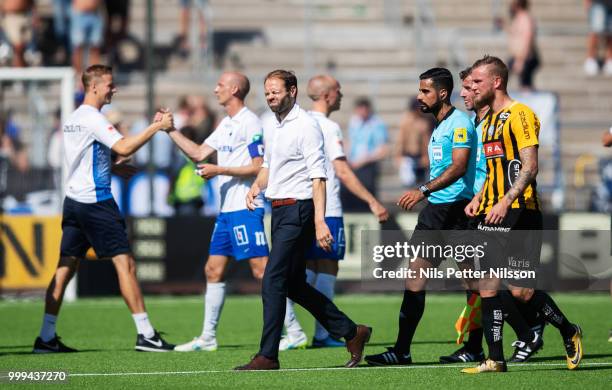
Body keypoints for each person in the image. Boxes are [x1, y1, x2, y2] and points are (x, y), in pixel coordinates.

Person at [32, 65, 175, 353]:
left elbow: (82, 158)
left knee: (65, 267)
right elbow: (124, 147)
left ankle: (46, 337)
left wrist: (109, 168)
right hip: (96, 203)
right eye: (110, 84)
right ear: (94, 86)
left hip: (73, 202)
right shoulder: (93, 118)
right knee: (126, 265)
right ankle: (146, 334)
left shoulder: (74, 118)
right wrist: (156, 127)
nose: (114, 89)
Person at [237, 70, 371, 370]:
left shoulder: (307, 126)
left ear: (293, 91)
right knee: (294, 284)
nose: (271, 96)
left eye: (276, 91)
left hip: (299, 210)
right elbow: (270, 164)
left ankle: (267, 356)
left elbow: (319, 176)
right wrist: (257, 185)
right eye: (267, 91)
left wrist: (320, 222)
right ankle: (352, 332)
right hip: (280, 210)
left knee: (272, 278)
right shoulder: (273, 125)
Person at [461, 55, 582, 373]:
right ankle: (495, 358)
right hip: (491, 212)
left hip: (520, 210)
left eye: (477, 82)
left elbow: (530, 166)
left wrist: (505, 200)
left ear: (496, 82)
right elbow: (493, 171)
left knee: (522, 291)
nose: (471, 88)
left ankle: (568, 330)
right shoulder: (486, 122)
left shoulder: (521, 114)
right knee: (488, 286)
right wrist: (480, 198)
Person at [364, 68, 480, 367]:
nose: (419, 96)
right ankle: (401, 350)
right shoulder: (438, 125)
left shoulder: (459, 123)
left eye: (425, 91)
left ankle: (478, 346)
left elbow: (458, 167)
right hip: (435, 214)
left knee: (473, 282)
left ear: (442, 93)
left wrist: (422, 190)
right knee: (414, 277)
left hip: (457, 211)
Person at [439, 67, 546, 365]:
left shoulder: (505, 119)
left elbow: (514, 167)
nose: (466, 92)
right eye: (465, 86)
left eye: (472, 85)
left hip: (501, 209)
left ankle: (530, 329)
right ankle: (484, 346)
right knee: (476, 282)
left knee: (495, 283)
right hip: (477, 207)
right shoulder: (477, 123)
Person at [280, 75, 389, 351]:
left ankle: (296, 330)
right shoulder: (328, 126)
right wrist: (372, 201)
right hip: (326, 208)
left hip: (301, 205)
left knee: (303, 271)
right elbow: (341, 170)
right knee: (326, 268)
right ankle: (320, 333)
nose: (341, 95)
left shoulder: (297, 121)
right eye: (338, 90)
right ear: (328, 95)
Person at [165, 72, 270, 352]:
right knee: (213, 270)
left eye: (220, 85)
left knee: (262, 271)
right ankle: (208, 337)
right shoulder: (226, 123)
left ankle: (294, 331)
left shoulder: (250, 122)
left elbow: (259, 166)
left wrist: (219, 169)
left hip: (246, 208)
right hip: (226, 211)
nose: (215, 90)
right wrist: (170, 130)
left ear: (234, 89)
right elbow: (199, 153)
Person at [342, 97, 388, 211]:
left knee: (366, 196)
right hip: (353, 165)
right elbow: (350, 141)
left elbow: (382, 150)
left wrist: (363, 161)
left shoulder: (377, 124)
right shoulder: (354, 121)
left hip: (367, 166)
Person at [395, 97, 433, 188]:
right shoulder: (406, 122)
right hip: (408, 157)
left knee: (422, 184)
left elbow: (426, 142)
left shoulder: (424, 122)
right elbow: (400, 141)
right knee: (409, 185)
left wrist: (427, 157)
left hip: (421, 157)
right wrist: (398, 156)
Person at [507, 0, 539, 90]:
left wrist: (521, 60)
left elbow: (527, 39)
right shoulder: (518, 18)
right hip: (518, 57)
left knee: (526, 86)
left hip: (525, 57)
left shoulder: (525, 18)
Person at [70, 0, 104, 75]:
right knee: (78, 48)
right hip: (79, 13)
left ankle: (93, 78)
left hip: (95, 13)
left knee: (95, 48)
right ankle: (79, 77)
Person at [1, 0, 35, 67]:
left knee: (27, 51)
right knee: (18, 48)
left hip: (26, 15)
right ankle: (18, 73)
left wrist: (34, 15)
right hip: (11, 16)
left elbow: (32, 2)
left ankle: (24, 73)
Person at [584, 0, 612, 76]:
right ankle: (590, 59)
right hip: (598, 2)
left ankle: (609, 59)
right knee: (595, 30)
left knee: (610, 32)